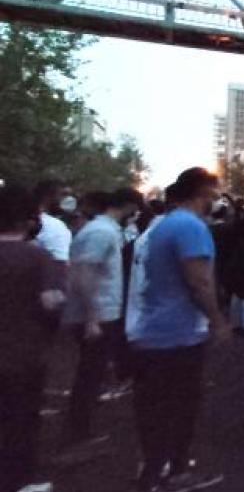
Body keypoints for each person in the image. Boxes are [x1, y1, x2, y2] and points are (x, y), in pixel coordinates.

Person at [127, 168, 229, 492]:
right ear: (202, 194)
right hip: (177, 334)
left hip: (151, 330)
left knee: (154, 408)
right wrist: (217, 319)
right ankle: (174, 472)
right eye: (215, 194)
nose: (217, 201)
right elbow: (199, 282)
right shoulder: (191, 227)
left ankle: (153, 471)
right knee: (180, 406)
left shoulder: (162, 225)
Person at [61, 187, 143, 454]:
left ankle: (79, 432)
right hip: (98, 314)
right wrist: (92, 317)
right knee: (89, 375)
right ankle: (76, 437)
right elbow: (85, 274)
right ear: (129, 206)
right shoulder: (102, 232)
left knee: (91, 373)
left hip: (98, 312)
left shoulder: (102, 230)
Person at [0, 185, 64, 492]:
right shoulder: (38, 257)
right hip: (24, 355)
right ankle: (18, 482)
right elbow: (51, 302)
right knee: (21, 421)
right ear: (28, 220)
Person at [32, 179, 75, 288]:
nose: (69, 200)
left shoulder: (23, 221)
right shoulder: (54, 226)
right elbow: (59, 267)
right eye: (63, 195)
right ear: (47, 197)